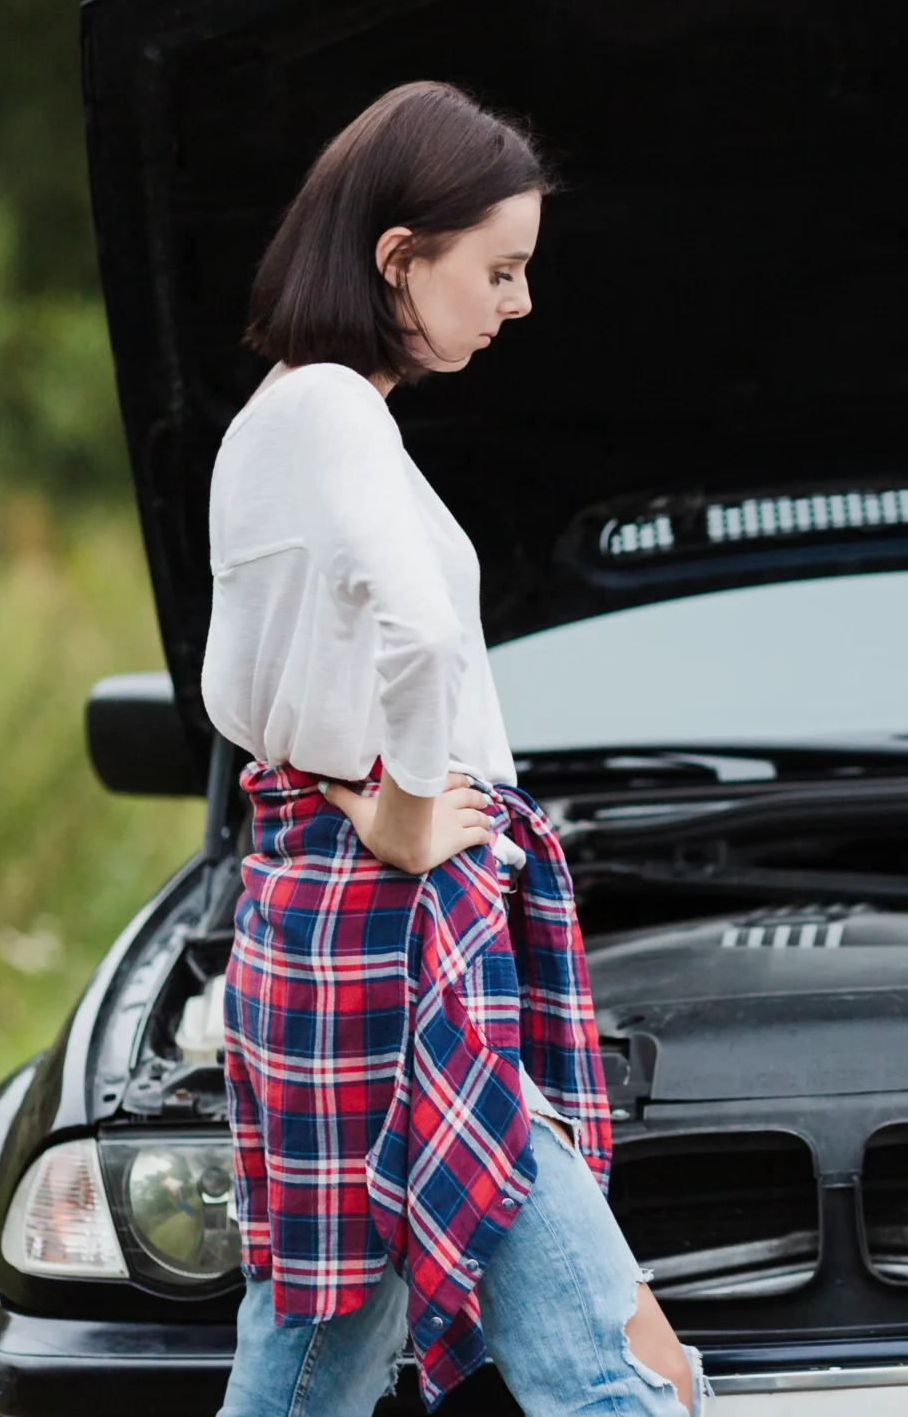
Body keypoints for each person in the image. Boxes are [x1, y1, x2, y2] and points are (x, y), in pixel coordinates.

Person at [205, 82, 702, 1415]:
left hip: (352, 931)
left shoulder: (286, 420)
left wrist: (372, 795)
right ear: (396, 257)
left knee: (317, 1359)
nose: (518, 302)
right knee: (616, 1374)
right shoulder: (330, 410)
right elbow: (420, 635)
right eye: (499, 269)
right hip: (395, 935)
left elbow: (265, 687)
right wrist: (413, 809)